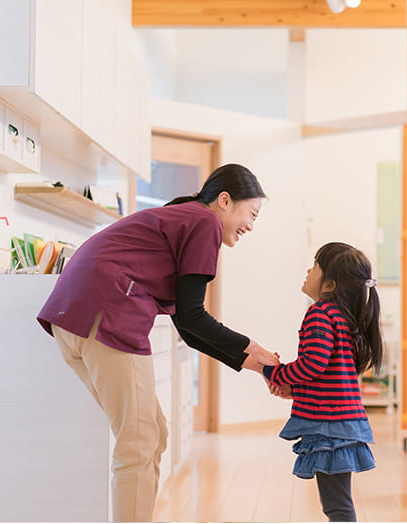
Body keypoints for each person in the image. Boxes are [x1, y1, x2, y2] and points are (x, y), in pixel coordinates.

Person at [36, 163, 279, 522]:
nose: (251, 226)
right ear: (225, 200)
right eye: (251, 213)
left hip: (72, 320)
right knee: (139, 443)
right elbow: (194, 317)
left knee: (154, 434)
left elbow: (186, 322)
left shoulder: (184, 217)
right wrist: (253, 350)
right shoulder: (204, 222)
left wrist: (255, 362)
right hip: (106, 316)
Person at [261, 242, 383, 522]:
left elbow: (312, 365)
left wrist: (276, 373)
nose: (307, 270)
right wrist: (293, 387)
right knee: (336, 502)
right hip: (340, 421)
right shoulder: (343, 318)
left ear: (329, 284)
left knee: (337, 506)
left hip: (330, 426)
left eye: (314, 265)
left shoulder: (320, 314)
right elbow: (327, 374)